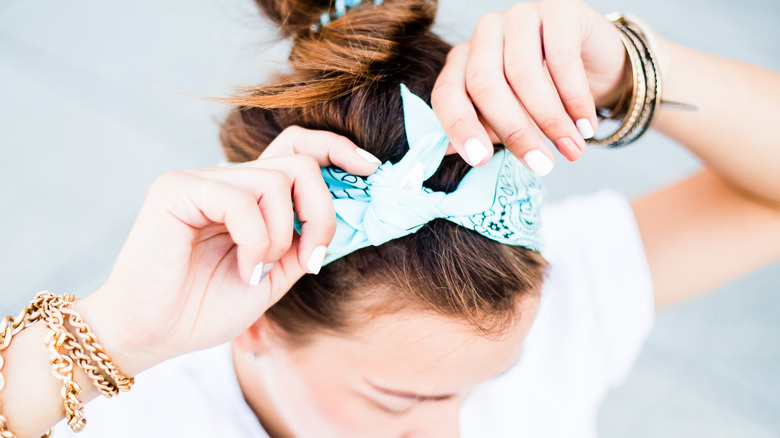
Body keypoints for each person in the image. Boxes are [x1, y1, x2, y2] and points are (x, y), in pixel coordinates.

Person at [2, 0, 780, 437]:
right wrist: (108, 337)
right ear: (261, 318)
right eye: (397, 402)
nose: (451, 433)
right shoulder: (149, 418)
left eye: (486, 385)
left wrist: (627, 68)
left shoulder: (558, 316)